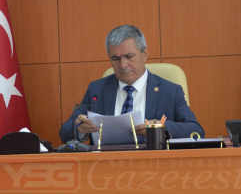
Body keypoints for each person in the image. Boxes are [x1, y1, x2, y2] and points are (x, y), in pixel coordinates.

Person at [59, 25, 203, 144]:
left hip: (153, 164)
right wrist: (79, 128)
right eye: (116, 59)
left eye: (129, 57)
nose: (123, 65)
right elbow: (65, 131)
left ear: (144, 54)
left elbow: (196, 131)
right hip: (105, 164)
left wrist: (161, 128)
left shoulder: (170, 91)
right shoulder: (97, 90)